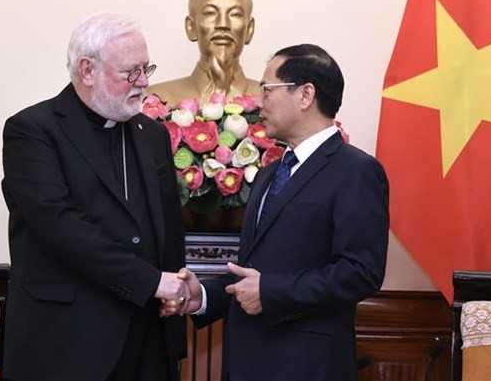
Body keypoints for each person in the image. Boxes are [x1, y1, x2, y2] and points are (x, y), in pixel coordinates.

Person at [163, 44, 390, 381]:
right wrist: (204, 295)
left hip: (307, 365)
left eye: (267, 90)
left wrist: (270, 293)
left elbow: (361, 272)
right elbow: (254, 270)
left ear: (305, 95)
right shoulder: (271, 171)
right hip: (245, 361)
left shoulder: (355, 171)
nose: (258, 101)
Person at [0, 12, 191, 381]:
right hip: (66, 343)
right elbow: (61, 227)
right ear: (87, 70)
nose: (145, 82)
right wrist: (150, 281)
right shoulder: (33, 131)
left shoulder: (152, 134)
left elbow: (168, 229)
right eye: (131, 72)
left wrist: (174, 313)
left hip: (148, 338)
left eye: (146, 68)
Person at [145, 0, 260, 106]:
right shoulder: (157, 99)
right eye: (210, 13)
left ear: (249, 29)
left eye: (235, 14)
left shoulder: (269, 101)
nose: (223, 24)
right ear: (191, 27)